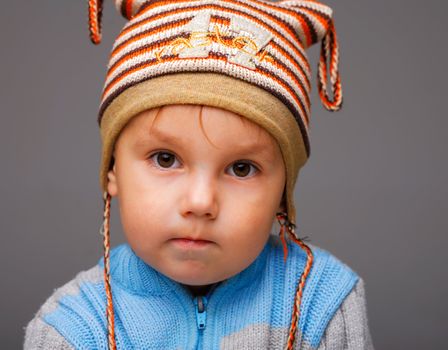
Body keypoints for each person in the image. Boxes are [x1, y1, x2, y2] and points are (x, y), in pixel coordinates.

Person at [24, 0, 374, 348]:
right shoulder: (72, 327)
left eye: (241, 168)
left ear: (284, 189)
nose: (200, 202)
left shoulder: (322, 304)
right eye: (165, 159)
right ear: (112, 169)